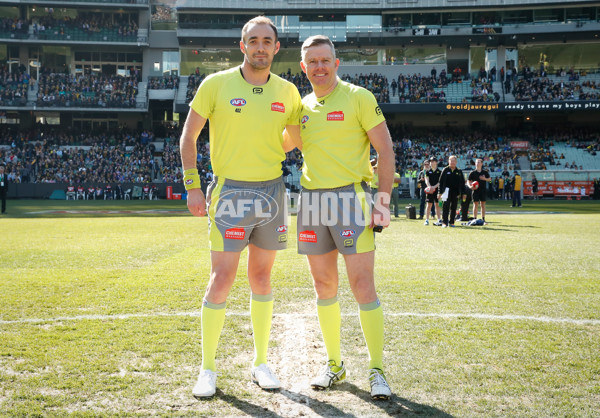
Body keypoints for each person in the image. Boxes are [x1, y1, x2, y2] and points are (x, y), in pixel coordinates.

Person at [180, 16, 302, 398]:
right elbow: (189, 135)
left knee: (262, 279)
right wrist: (193, 186)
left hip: (271, 192)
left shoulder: (288, 92)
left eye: (268, 41)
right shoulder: (215, 84)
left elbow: (294, 138)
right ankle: (208, 369)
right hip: (230, 192)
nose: (261, 47)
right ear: (242, 45)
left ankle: (261, 363)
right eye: (254, 40)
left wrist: (266, 147)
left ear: (277, 48)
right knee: (222, 279)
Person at [285, 34, 393, 400]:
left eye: (324, 60)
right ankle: (334, 364)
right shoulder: (300, 107)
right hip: (312, 202)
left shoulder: (359, 97)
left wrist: (383, 201)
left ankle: (377, 369)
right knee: (323, 288)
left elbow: (385, 148)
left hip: (352, 198)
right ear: (303, 67)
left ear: (336, 63)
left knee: (363, 286)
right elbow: (289, 143)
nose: (318, 67)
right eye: (311, 62)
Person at [438, 155, 464, 228]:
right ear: (448, 161)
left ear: (456, 162)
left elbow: (462, 183)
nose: (452, 162)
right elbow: (441, 182)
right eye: (450, 160)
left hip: (455, 192)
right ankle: (444, 222)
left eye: (453, 161)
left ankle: (452, 222)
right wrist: (439, 192)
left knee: (454, 207)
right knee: (445, 207)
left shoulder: (459, 171)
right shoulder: (445, 170)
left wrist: (463, 193)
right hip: (446, 191)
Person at [468, 158, 492, 223]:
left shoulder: (485, 172)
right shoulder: (472, 173)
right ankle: (474, 218)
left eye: (479, 162)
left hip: (483, 190)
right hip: (475, 191)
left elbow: (490, 179)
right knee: (475, 204)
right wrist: (470, 186)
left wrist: (484, 179)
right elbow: (468, 181)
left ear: (481, 163)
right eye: (476, 162)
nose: (477, 163)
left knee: (483, 205)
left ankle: (483, 219)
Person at [424, 156, 442, 226]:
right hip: (430, 190)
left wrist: (434, 187)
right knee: (429, 205)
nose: (431, 163)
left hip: (437, 190)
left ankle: (439, 219)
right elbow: (426, 179)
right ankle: (427, 220)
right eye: (430, 162)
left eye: (433, 161)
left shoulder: (440, 172)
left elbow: (440, 182)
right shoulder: (428, 171)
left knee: (437, 205)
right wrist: (429, 187)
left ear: (436, 162)